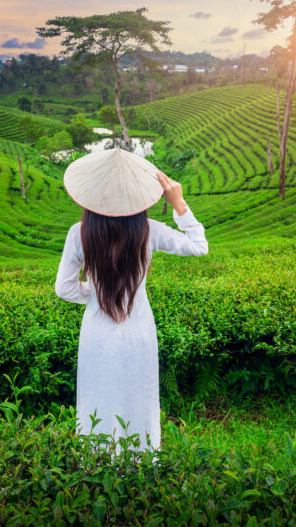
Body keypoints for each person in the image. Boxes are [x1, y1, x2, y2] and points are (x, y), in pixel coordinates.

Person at [54, 148, 208, 455]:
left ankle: (97, 464)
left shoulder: (79, 233)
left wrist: (95, 295)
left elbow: (64, 289)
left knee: (97, 398)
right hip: (138, 333)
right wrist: (178, 203)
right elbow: (198, 246)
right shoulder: (149, 231)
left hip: (97, 334)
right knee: (139, 397)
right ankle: (141, 464)